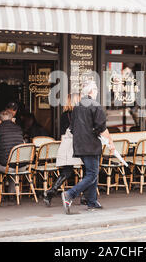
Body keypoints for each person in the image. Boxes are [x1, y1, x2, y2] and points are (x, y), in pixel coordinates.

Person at [61, 81, 115, 214]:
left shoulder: (77, 106)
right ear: (92, 91)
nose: (97, 92)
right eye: (96, 89)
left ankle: (92, 201)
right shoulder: (95, 105)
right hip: (91, 144)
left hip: (79, 145)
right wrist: (111, 142)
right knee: (92, 174)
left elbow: (72, 128)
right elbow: (102, 128)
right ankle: (70, 194)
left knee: (91, 172)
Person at [44, 93, 81, 206]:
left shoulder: (64, 115)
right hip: (76, 145)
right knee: (89, 170)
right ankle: (85, 196)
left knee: (67, 171)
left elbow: (61, 134)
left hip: (67, 145)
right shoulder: (77, 114)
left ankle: (51, 191)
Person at [0, 110, 24, 198]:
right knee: (14, 165)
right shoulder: (19, 128)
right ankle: (11, 194)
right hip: (21, 165)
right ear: (11, 119)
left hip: (6, 165)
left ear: (0, 120)